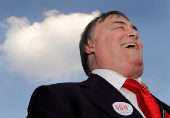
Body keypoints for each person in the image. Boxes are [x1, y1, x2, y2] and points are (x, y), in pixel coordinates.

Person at [27, 11, 170, 118]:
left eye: (134, 30)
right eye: (119, 28)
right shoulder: (60, 97)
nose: (134, 33)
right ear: (90, 45)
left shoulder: (165, 108)